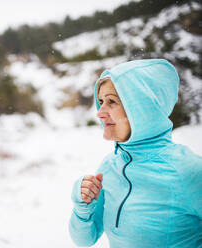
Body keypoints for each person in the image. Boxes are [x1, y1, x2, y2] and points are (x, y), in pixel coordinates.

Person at [68, 59, 202, 247]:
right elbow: (84, 240)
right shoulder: (109, 166)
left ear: (142, 109)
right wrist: (82, 209)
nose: (100, 112)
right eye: (100, 102)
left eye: (112, 102)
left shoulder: (188, 171)